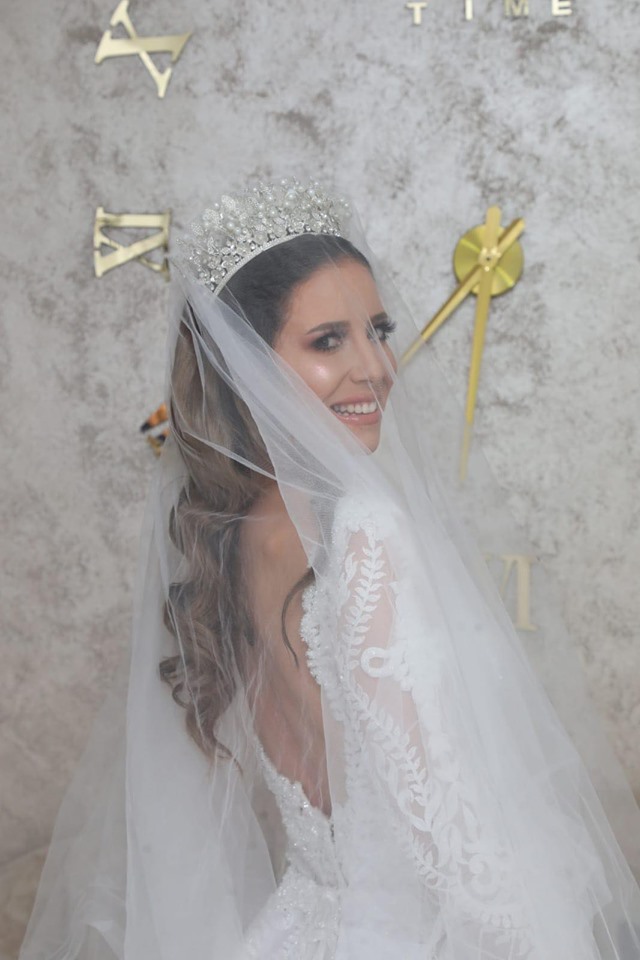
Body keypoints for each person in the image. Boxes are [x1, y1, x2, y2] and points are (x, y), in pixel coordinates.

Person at [19, 177, 640, 960]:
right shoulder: (365, 532)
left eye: (377, 330)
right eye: (327, 341)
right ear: (246, 366)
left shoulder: (232, 537)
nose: (374, 366)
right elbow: (446, 838)